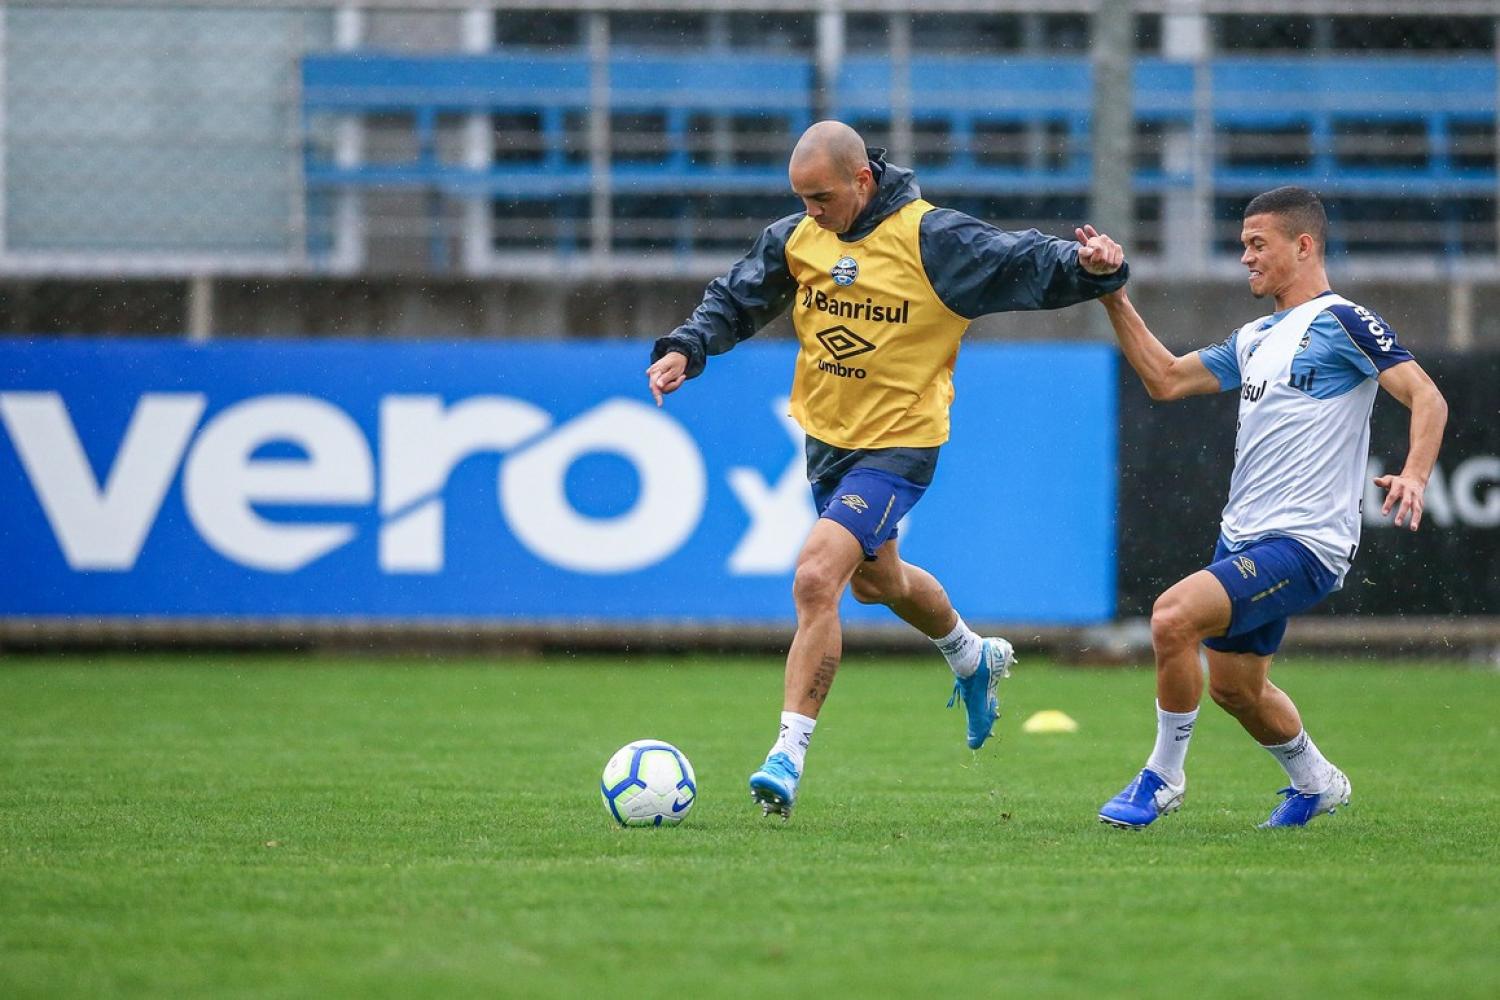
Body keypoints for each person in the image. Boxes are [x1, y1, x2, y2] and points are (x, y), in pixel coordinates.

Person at [645, 120, 1128, 819]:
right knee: (879, 582)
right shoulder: (799, 238)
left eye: (822, 196)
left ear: (862, 180)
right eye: (801, 197)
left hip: (901, 442)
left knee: (818, 576)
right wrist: (689, 348)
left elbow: (1017, 259)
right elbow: (738, 296)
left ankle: (787, 753)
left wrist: (1091, 266)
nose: (812, 210)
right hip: (829, 439)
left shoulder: (931, 239)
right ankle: (971, 655)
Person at [1090, 186, 1448, 830]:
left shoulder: (1343, 321)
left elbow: (1427, 397)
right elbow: (1165, 378)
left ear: (1303, 245)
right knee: (1236, 690)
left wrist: (1416, 474)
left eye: (1258, 244)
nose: (1246, 258)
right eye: (1243, 245)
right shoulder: (1255, 336)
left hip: (1307, 542)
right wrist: (1114, 293)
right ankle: (1316, 781)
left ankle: (1162, 777)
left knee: (1172, 617)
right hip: (1244, 538)